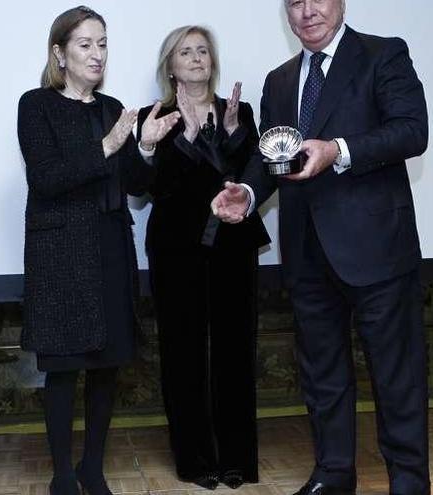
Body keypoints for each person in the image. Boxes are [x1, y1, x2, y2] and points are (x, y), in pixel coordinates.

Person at [211, 1, 430, 494]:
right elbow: (272, 157)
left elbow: (413, 131)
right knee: (322, 378)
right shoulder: (280, 80)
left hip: (378, 253)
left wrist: (339, 150)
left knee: (398, 381)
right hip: (308, 254)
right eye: (294, 1)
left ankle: (410, 484)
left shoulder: (383, 55)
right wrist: (244, 193)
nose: (307, 11)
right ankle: (333, 476)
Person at [16, 6, 180, 495]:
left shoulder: (113, 109)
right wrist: (107, 147)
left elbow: (135, 184)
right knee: (64, 369)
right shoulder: (36, 105)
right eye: (85, 44)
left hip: (110, 250)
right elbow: (46, 178)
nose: (96, 53)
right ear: (59, 53)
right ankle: (63, 474)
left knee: (108, 365)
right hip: (60, 256)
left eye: (102, 43)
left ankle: (93, 467)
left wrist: (145, 147)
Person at [137, 25, 270, 491]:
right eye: (185, 52)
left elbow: (251, 180)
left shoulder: (241, 113)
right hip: (177, 251)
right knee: (183, 353)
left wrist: (232, 136)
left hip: (233, 248)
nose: (195, 58)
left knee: (236, 351)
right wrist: (187, 140)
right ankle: (195, 460)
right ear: (170, 66)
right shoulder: (156, 118)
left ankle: (237, 459)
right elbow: (152, 188)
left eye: (202, 51)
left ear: (212, 62)